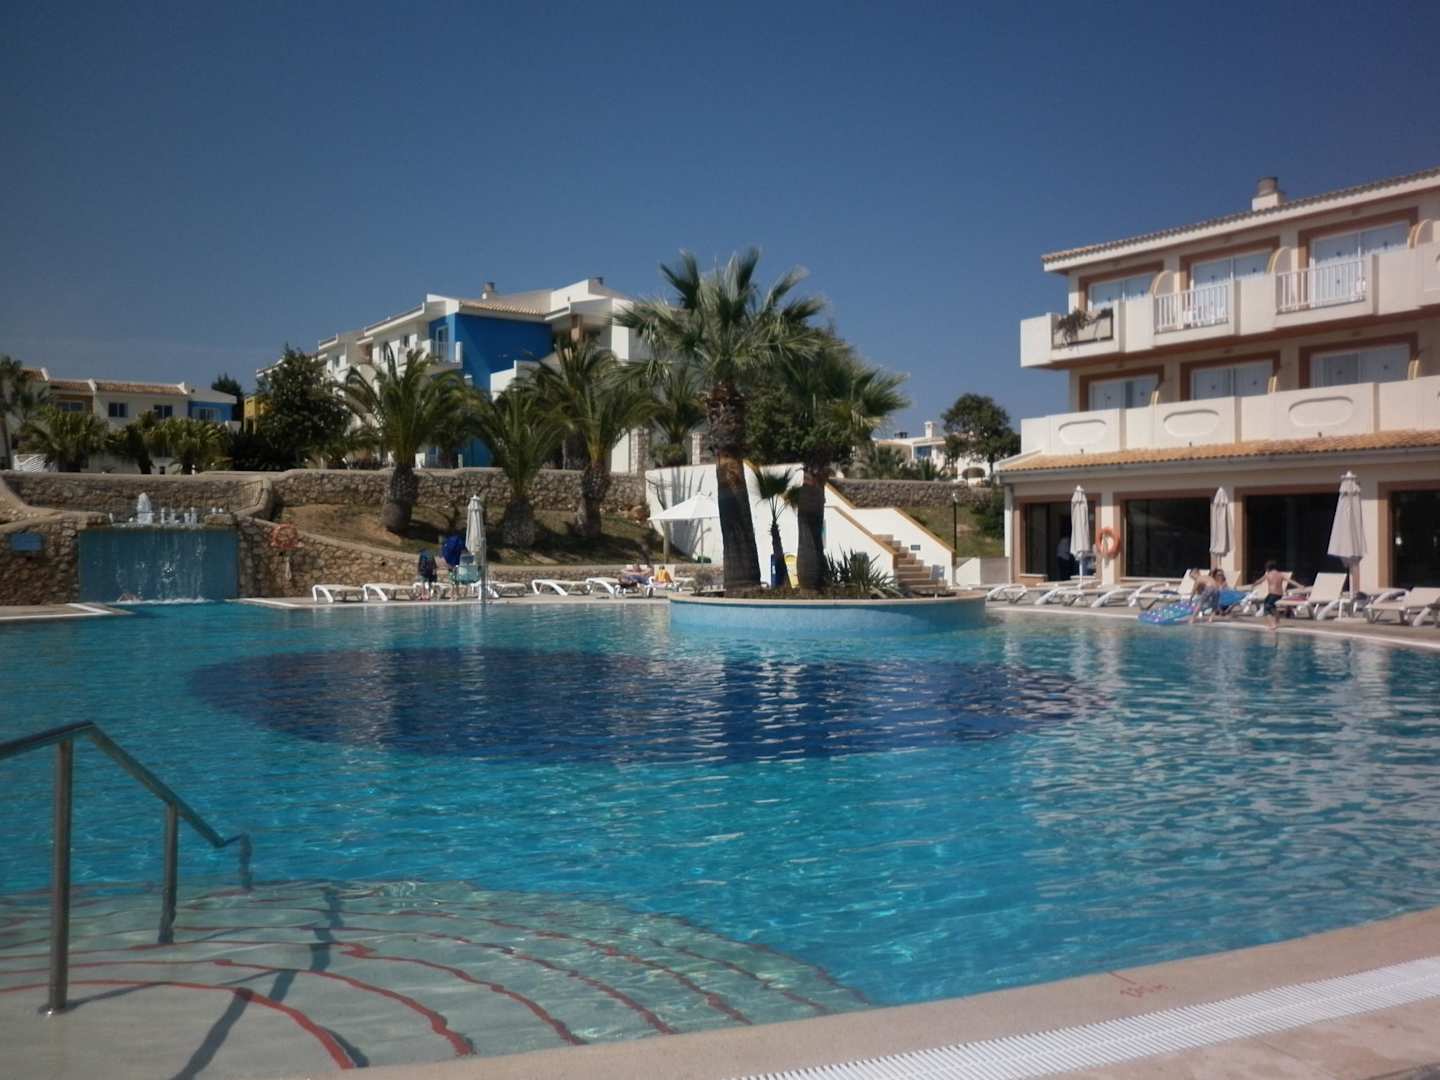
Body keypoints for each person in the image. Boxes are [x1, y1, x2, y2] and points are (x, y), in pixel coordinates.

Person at [1254, 560, 1297, 632]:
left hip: (1272, 594)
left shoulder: (1267, 574)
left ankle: (1273, 624)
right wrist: (1300, 585)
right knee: (1272, 606)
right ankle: (1277, 617)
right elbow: (1291, 581)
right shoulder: (1280, 574)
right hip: (1279, 594)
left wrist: (1254, 584)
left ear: (1268, 568)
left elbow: (1259, 581)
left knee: (1266, 608)